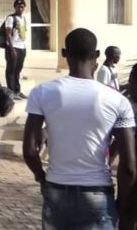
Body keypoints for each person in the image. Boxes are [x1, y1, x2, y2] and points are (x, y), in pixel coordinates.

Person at [23, 28, 136, 230]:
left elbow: (30, 150)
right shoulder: (118, 101)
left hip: (56, 189)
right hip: (98, 194)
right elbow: (128, 166)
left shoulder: (41, 93)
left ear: (64, 54)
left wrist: (41, 177)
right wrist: (121, 203)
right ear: (97, 56)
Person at [4, 0, 28, 100]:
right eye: (18, 7)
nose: (20, 9)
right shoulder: (10, 18)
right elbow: (8, 35)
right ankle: (11, 91)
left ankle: (17, 90)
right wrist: (12, 49)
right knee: (11, 70)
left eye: (22, 7)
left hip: (22, 48)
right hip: (13, 48)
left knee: (18, 70)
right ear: (15, 7)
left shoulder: (23, 19)